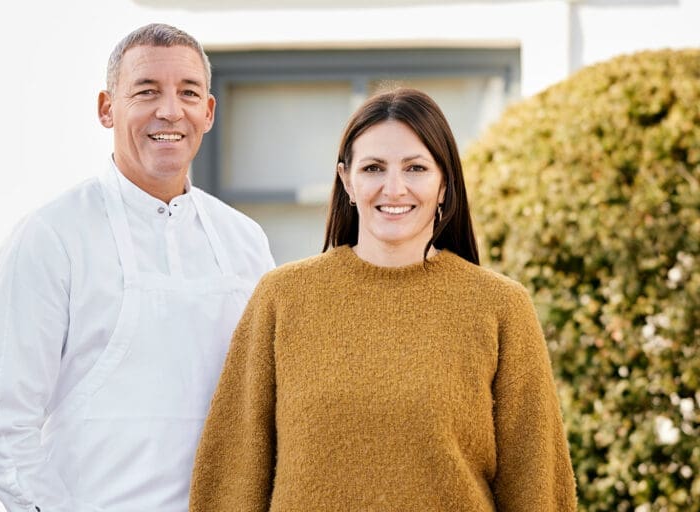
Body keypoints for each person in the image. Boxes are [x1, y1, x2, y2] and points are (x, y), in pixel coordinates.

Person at [189, 88, 578, 511]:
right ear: (346, 181)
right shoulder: (283, 298)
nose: (394, 188)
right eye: (374, 168)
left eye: (416, 168)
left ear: (444, 183)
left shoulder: (500, 307)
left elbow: (538, 487)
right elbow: (232, 476)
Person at [0, 23, 274, 512]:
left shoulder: (245, 240)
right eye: (146, 91)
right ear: (107, 108)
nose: (169, 111)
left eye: (188, 93)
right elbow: (0, 426)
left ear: (209, 111)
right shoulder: (51, 236)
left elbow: (265, 406)